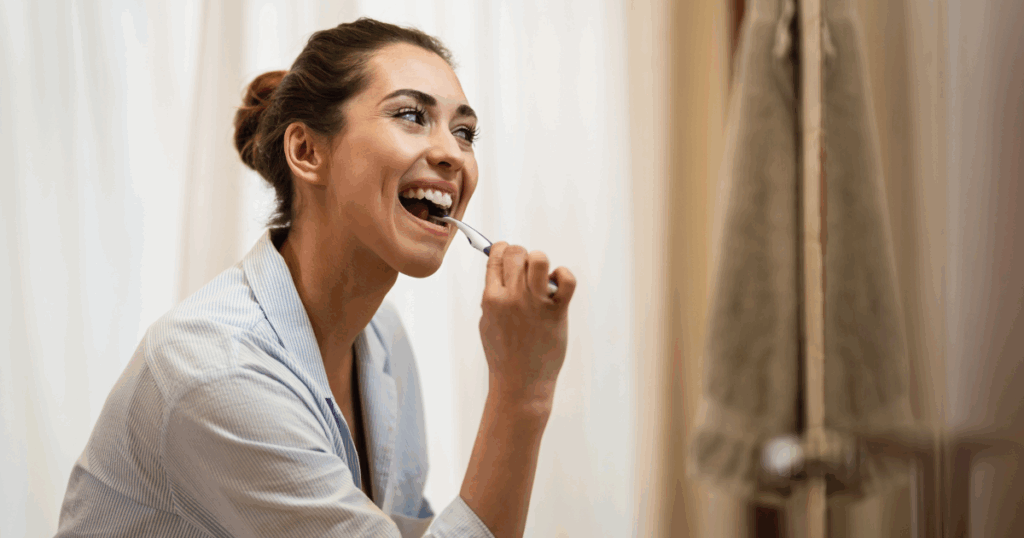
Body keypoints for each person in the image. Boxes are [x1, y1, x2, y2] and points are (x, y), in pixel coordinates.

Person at [54, 18, 575, 538]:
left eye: (463, 132)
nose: (450, 154)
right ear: (306, 152)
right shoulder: (217, 369)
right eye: (412, 115)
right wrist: (521, 394)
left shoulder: (383, 339)